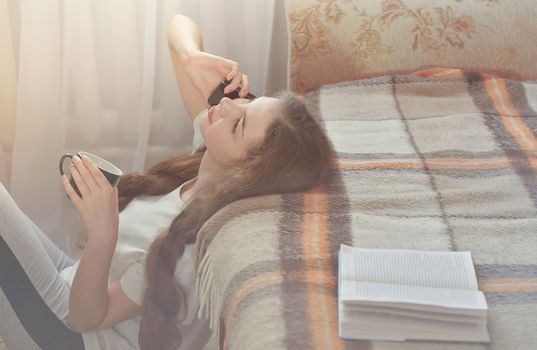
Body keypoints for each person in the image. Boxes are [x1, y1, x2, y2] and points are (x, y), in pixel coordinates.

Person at [0, 13, 336, 350]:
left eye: (239, 125)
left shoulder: (184, 253)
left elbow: (85, 319)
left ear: (245, 172)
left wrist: (102, 238)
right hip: (73, 282)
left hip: (65, 334)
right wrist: (193, 58)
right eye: (246, 103)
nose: (228, 107)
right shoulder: (206, 166)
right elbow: (178, 24)